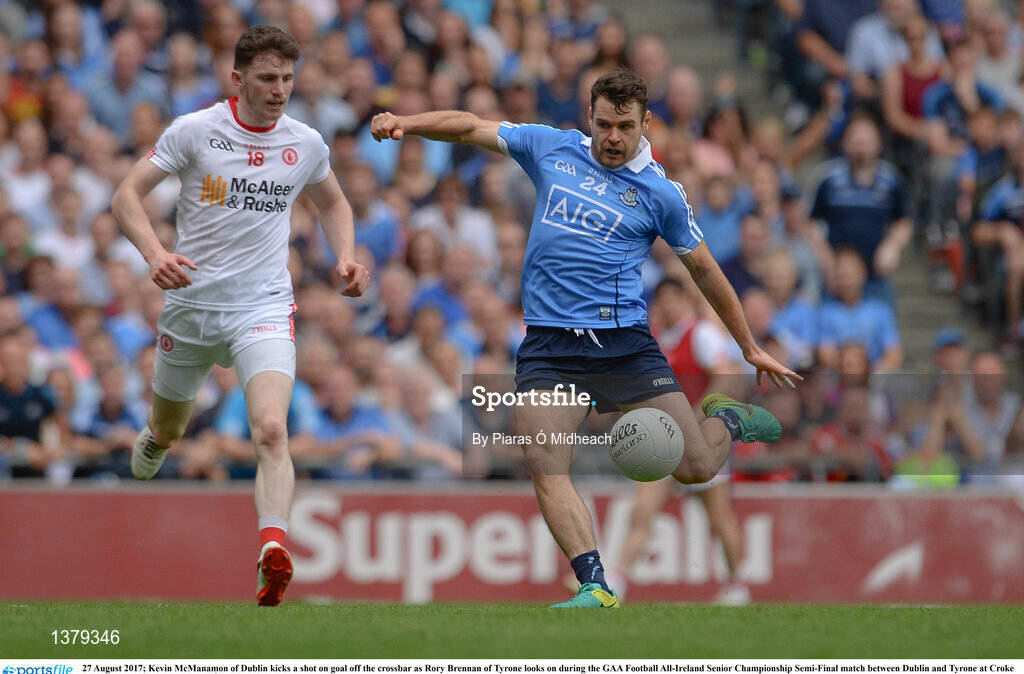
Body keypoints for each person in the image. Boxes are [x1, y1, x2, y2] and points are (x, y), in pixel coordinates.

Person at [370, 69, 799, 608]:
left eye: (625, 126)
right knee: (543, 455)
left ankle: (729, 419)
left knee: (695, 468)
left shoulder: (662, 193)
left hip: (622, 345)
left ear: (646, 122)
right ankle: (595, 584)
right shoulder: (552, 147)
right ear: (589, 117)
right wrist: (406, 122)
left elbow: (705, 271)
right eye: (604, 125)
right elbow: (469, 126)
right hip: (549, 345)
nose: (613, 137)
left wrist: (749, 346)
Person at [111, 25, 369, 607]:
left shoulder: (305, 143)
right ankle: (156, 438)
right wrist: (155, 255)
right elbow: (126, 196)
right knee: (170, 429)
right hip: (192, 307)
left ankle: (272, 549)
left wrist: (346, 256)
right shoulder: (195, 131)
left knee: (272, 429)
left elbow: (333, 202)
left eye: (287, 79)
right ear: (237, 78)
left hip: (263, 308)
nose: (280, 90)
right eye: (267, 78)